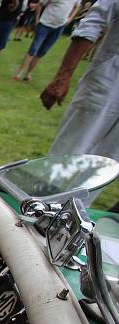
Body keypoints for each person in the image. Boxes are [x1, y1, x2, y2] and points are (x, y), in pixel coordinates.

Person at [41, 0, 118, 186]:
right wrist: (62, 76)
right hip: (110, 79)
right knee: (69, 150)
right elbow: (92, 23)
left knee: (111, 160)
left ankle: (78, 208)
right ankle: (40, 203)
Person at [13, 0, 79, 80]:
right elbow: (40, 4)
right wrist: (37, 20)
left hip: (60, 26)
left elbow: (77, 6)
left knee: (42, 51)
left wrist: (70, 19)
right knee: (34, 49)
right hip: (44, 24)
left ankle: (28, 74)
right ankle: (19, 73)